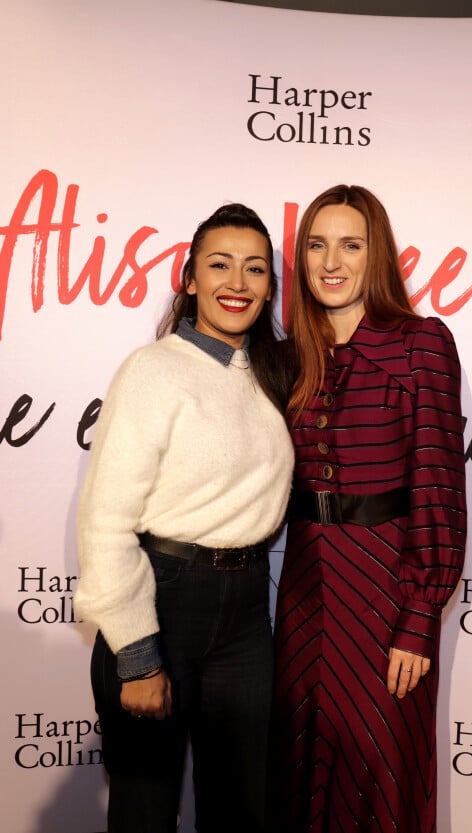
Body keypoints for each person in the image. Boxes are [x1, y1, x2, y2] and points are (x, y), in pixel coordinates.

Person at [74, 203, 294, 833]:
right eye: (219, 264)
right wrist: (138, 657)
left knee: (241, 808)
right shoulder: (154, 371)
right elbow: (107, 521)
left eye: (255, 269)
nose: (238, 282)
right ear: (190, 278)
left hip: (248, 612)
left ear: (269, 289)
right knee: (145, 810)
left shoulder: (269, 375)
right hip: (162, 599)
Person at [271, 185, 467, 833]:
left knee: (381, 768)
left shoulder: (421, 343)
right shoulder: (290, 352)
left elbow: (438, 487)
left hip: (384, 592)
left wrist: (418, 618)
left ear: (374, 255)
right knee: (301, 768)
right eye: (317, 246)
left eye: (350, 245)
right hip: (303, 591)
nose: (332, 261)